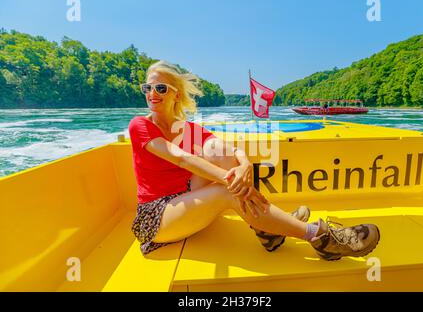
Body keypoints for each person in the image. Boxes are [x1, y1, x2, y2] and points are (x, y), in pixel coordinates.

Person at [128, 61, 380, 260]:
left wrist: (245, 164)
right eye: (147, 88)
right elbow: (181, 158)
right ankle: (320, 237)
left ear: (175, 94)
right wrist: (233, 180)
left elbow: (229, 150)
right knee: (228, 191)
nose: (152, 94)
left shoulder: (188, 128)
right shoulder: (140, 125)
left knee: (216, 149)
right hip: (157, 218)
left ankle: (269, 230)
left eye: (160, 88)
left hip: (186, 199)